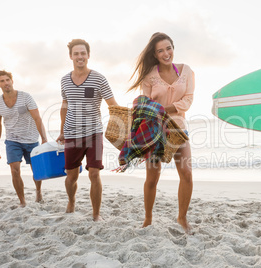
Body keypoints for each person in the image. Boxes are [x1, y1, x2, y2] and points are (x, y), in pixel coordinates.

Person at [128, 32, 195, 233]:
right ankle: (148, 219)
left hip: (178, 129)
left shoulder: (186, 71)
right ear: (155, 55)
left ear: (173, 48)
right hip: (155, 131)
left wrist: (164, 109)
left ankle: (182, 218)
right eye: (160, 51)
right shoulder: (149, 77)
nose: (166, 53)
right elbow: (146, 105)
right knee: (152, 178)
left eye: (168, 48)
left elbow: (189, 100)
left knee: (187, 174)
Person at [56, 39, 118, 222]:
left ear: (88, 55)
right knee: (71, 175)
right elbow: (64, 106)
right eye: (76, 53)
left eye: (83, 53)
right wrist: (61, 131)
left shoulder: (99, 78)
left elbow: (113, 105)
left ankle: (96, 214)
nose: (80, 56)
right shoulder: (65, 80)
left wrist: (120, 129)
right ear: (71, 56)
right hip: (72, 133)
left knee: (94, 173)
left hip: (94, 133)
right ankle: (71, 201)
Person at [0, 70, 48, 207]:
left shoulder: (25, 97)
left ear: (12, 81)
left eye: (7, 80)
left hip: (31, 139)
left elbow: (37, 118)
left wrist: (44, 139)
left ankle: (38, 191)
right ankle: (22, 201)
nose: (6, 83)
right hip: (12, 140)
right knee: (14, 170)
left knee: (36, 170)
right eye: (2, 81)